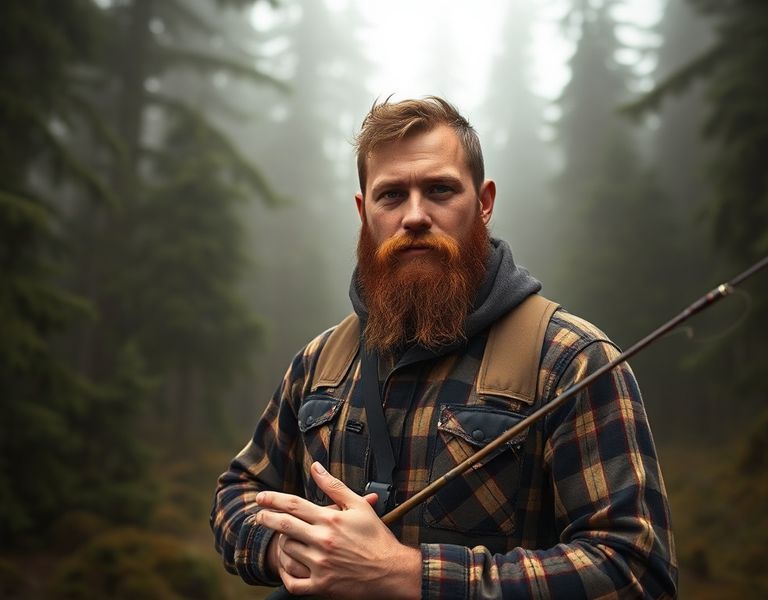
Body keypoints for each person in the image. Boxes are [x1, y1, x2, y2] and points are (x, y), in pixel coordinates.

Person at [211, 96, 678, 599]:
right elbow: (236, 495)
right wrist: (283, 549)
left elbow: (635, 571)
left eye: (439, 190)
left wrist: (406, 574)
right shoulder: (319, 363)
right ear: (365, 212)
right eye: (391, 195)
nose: (415, 216)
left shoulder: (571, 359)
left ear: (484, 201)